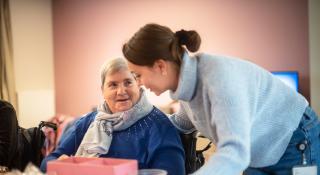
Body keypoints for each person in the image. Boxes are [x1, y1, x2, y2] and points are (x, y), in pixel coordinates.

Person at [122, 23, 320, 175]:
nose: (138, 82)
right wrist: (133, 129)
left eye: (137, 74)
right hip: (257, 149)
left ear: (160, 66)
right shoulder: (186, 86)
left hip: (294, 136)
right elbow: (182, 123)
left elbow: (234, 153)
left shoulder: (219, 79)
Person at [40, 58, 185, 175]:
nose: (121, 91)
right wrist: (60, 163)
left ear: (139, 85)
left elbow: (172, 171)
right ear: (102, 91)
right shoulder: (87, 122)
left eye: (128, 82)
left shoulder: (159, 125)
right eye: (113, 85)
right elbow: (47, 162)